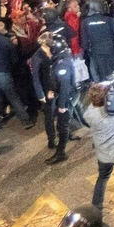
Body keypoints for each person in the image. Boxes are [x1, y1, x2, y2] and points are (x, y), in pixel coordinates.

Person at [30, 35, 79, 165]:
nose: (48, 51)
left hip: (64, 93)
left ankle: (61, 152)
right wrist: (44, 93)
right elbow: (37, 77)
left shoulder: (61, 61)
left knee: (63, 123)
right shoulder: (44, 57)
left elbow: (65, 85)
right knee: (53, 117)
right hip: (54, 91)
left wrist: (62, 105)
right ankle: (54, 140)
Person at [81, 83, 114, 213]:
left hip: (103, 154)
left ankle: (96, 208)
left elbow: (86, 112)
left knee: (102, 178)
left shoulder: (90, 114)